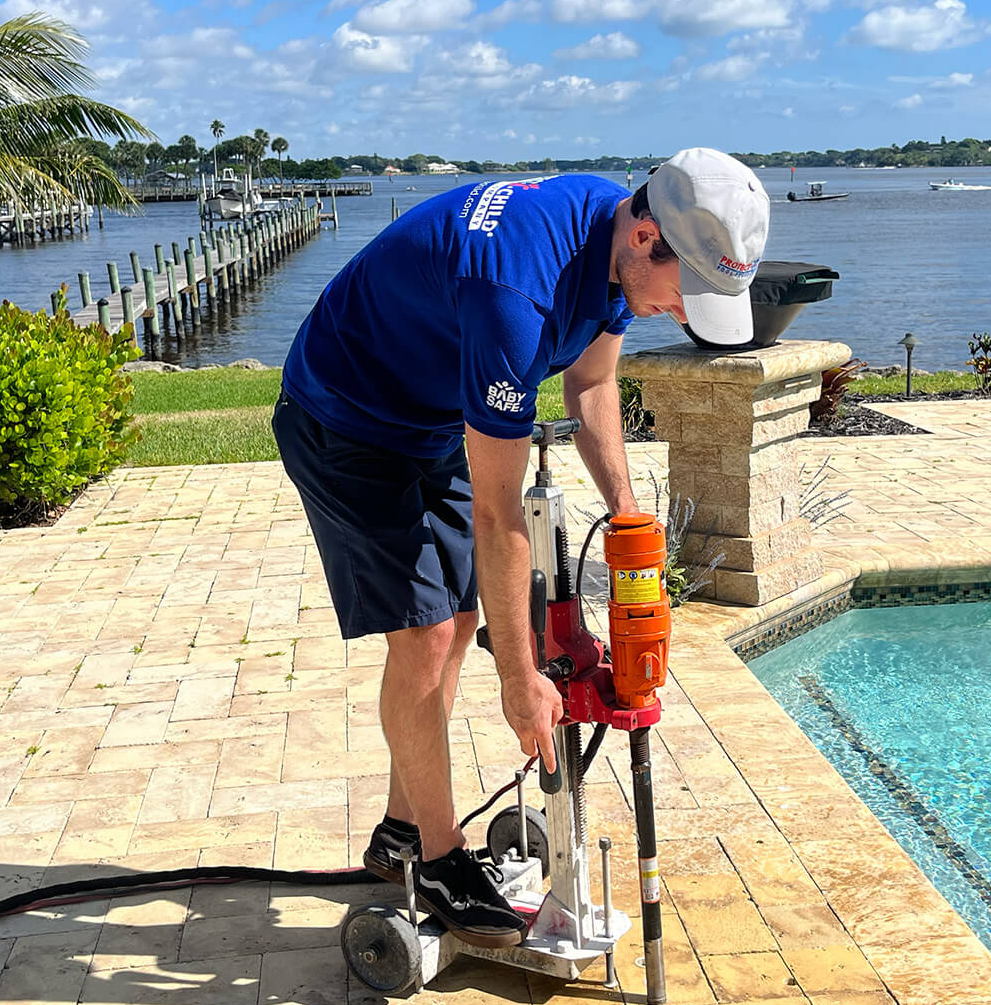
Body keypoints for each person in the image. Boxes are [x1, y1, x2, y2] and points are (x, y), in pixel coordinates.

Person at [272, 147, 769, 949]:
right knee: (429, 632)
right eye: (689, 294)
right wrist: (521, 676)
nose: (685, 314)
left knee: (456, 623)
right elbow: (500, 514)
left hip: (424, 416)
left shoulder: (615, 250)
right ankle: (437, 862)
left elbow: (592, 386)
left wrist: (629, 518)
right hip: (345, 417)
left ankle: (402, 829)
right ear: (647, 236)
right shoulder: (517, 291)